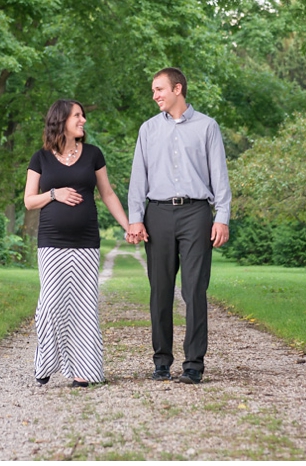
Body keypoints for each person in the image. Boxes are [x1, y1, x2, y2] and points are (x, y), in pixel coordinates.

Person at [126, 67, 231, 384]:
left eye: (159, 89)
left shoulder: (206, 127)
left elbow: (220, 176)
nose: (155, 95)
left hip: (196, 213)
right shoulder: (148, 130)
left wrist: (222, 217)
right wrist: (135, 218)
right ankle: (161, 362)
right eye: (153, 90)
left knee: (194, 289)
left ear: (177, 89)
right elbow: (137, 178)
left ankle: (194, 365)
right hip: (157, 214)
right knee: (159, 291)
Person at [24, 99, 130, 388]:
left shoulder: (93, 154)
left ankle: (84, 370)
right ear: (61, 121)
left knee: (83, 305)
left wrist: (128, 225)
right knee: (50, 303)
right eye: (77, 116)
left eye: (83, 116)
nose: (83, 120)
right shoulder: (41, 158)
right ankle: (45, 361)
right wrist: (54, 194)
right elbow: (29, 200)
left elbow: (107, 194)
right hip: (51, 243)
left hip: (85, 243)